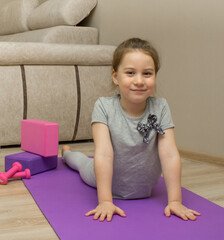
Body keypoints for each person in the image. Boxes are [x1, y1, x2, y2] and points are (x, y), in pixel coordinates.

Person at [62, 38, 200, 222]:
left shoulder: (161, 107)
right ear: (115, 77)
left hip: (143, 187)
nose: (139, 81)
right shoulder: (104, 106)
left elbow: (169, 155)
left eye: (147, 73)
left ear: (155, 76)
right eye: (130, 73)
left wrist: (175, 200)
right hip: (104, 179)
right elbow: (103, 154)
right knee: (81, 164)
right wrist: (105, 201)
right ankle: (66, 153)